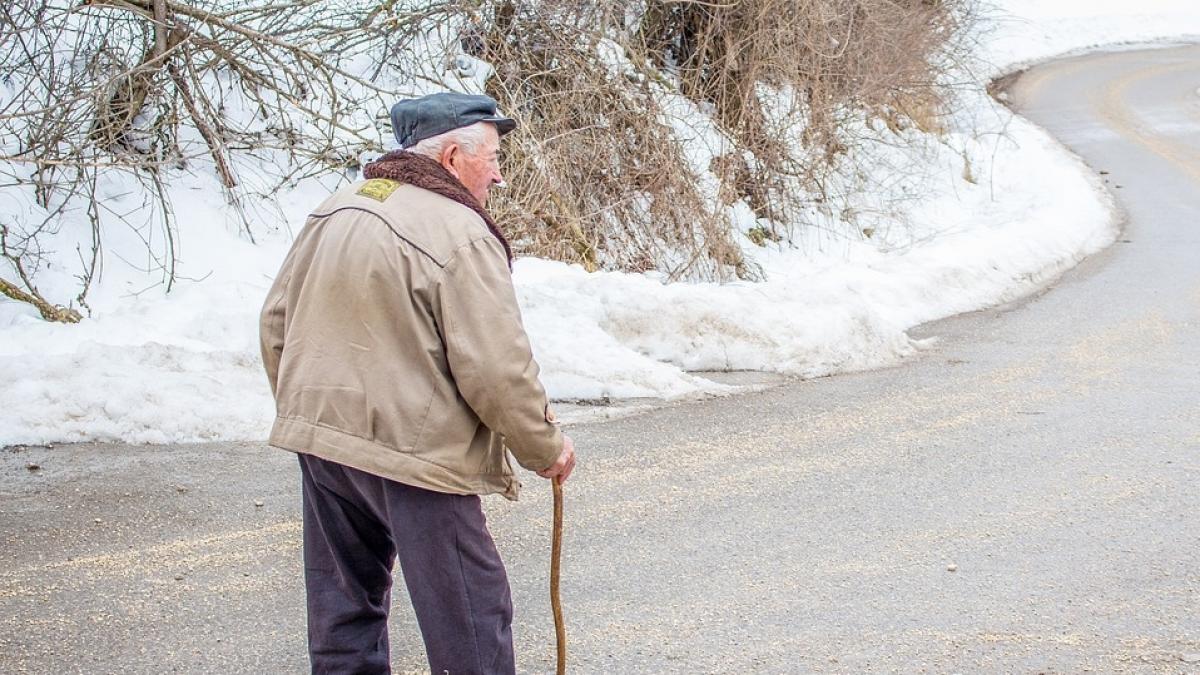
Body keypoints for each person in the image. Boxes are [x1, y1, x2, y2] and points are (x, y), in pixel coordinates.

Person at [259, 91, 576, 675]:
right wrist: (544, 448)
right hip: (416, 455)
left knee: (344, 612)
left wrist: (309, 412)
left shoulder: (337, 207)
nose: (500, 175)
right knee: (470, 620)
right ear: (453, 156)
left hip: (325, 446)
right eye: (493, 158)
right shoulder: (460, 231)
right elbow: (496, 367)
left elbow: (277, 323)